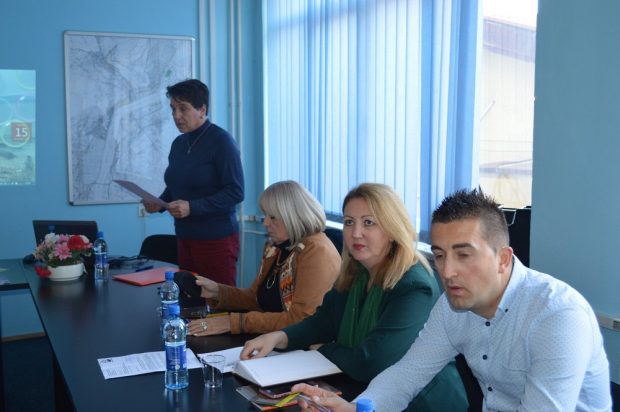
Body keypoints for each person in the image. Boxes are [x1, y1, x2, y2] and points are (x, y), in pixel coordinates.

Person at [291, 188, 612, 412]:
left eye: (463, 254)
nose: (447, 272)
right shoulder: (454, 305)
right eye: (441, 255)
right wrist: (356, 408)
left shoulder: (557, 315)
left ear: (503, 259)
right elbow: (408, 374)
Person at [241, 183, 468, 411]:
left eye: (368, 222)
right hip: (367, 393)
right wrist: (278, 337)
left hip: (423, 403)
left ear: (392, 229)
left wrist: (324, 349)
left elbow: (371, 361)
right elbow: (323, 322)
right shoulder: (357, 270)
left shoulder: (415, 286)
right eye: (349, 222)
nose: (355, 233)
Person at [186, 180, 341, 336]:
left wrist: (233, 322)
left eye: (272, 217)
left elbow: (301, 320)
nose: (265, 222)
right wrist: (217, 291)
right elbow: (256, 298)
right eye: (265, 215)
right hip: (271, 338)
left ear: (294, 216)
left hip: (299, 345)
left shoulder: (317, 252)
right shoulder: (276, 247)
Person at [143, 79, 244, 286]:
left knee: (217, 301)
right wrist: (159, 203)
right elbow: (177, 186)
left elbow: (236, 191)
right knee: (189, 298)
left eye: (183, 108)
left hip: (216, 240)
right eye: (173, 109)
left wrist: (192, 207)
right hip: (184, 237)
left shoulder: (222, 141)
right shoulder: (179, 143)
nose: (176, 116)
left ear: (202, 109)